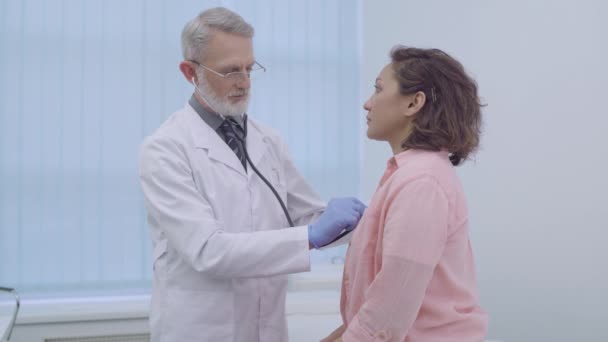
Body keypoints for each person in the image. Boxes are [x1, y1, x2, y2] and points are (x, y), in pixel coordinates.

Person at [138, 7, 365, 342]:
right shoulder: (165, 149)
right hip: (200, 331)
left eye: (249, 68)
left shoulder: (267, 141)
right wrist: (311, 236)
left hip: (266, 328)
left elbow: (308, 217)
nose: (244, 82)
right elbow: (208, 251)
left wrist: (373, 221)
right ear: (190, 72)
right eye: (230, 71)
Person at [322, 46, 488, 342]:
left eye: (378, 89)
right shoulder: (407, 175)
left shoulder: (421, 183)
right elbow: (371, 312)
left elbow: (387, 315)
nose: (367, 104)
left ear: (414, 103)